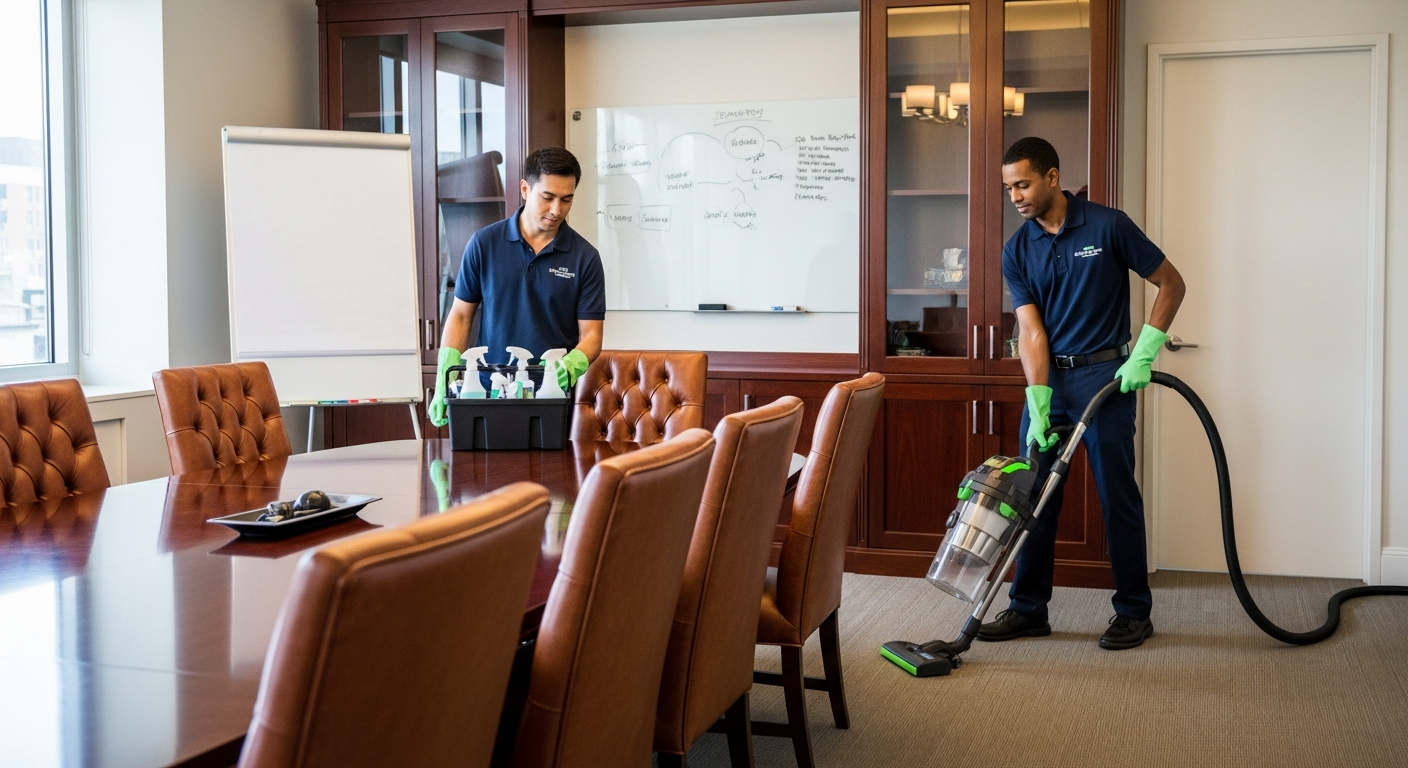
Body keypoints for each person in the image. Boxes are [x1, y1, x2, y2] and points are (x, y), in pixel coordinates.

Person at [981, 136, 1185, 650]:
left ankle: (1134, 612)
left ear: (1053, 177)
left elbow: (1171, 283)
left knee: (1117, 496)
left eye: (1023, 184)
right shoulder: (1017, 249)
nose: (1017, 198)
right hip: (1052, 383)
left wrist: (1144, 351)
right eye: (1009, 189)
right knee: (1032, 498)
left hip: (1106, 380)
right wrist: (1037, 395)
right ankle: (1028, 609)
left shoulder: (1108, 225)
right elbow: (1031, 332)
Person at [429, 147, 604, 427]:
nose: (556, 210)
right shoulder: (484, 244)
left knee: (553, 472)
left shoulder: (585, 257)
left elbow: (592, 336)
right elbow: (461, 316)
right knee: (486, 472)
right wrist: (445, 376)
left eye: (566, 200)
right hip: (486, 392)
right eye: (547, 198)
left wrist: (569, 367)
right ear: (525, 188)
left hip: (552, 399)